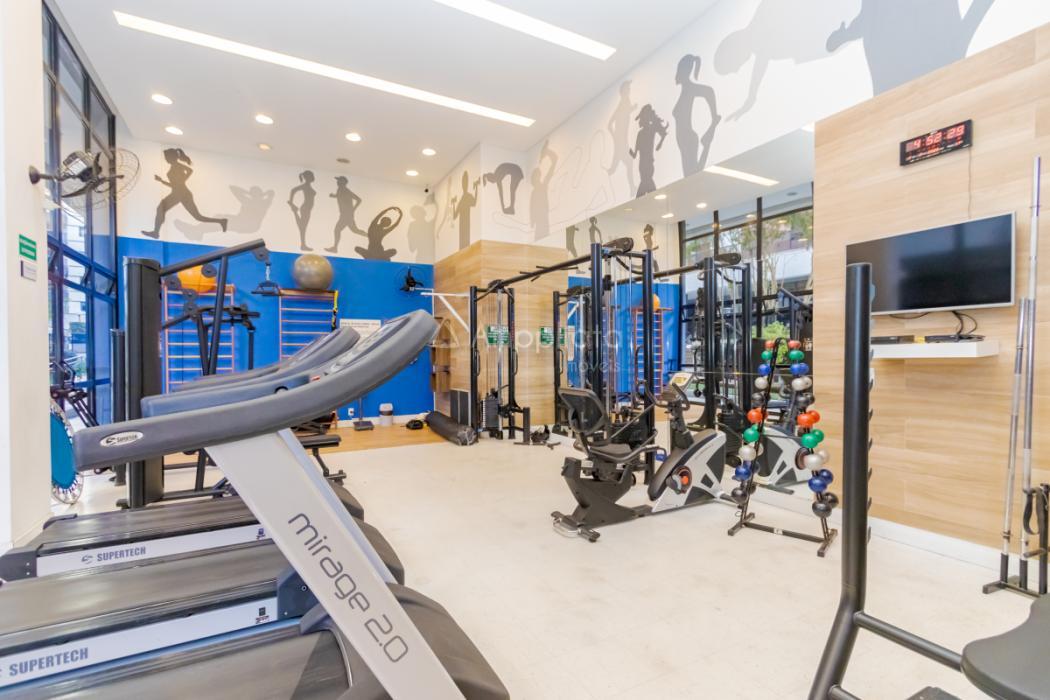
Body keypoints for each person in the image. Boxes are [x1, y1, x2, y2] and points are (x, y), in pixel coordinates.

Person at [143, 148, 227, 239]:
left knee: (162, 209)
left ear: (172, 157)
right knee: (196, 216)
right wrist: (161, 181)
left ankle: (156, 233)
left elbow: (190, 170)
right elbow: (174, 186)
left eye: (166, 157)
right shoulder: (173, 167)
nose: (166, 159)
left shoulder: (177, 166)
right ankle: (221, 221)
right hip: (178, 193)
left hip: (182, 194)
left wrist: (183, 180)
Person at [672, 55, 720, 178]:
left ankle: (707, 145)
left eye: (679, 71)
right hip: (683, 141)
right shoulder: (685, 91)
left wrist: (714, 116)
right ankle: (706, 144)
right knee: (690, 177)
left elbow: (709, 91)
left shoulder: (690, 89)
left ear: (684, 71)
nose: (677, 74)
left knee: (692, 177)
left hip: (688, 138)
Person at [630, 105, 668, 197]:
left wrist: (660, 143)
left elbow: (663, 134)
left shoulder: (651, 129)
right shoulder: (641, 133)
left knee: (646, 182)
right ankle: (652, 199)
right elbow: (635, 154)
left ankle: (640, 201)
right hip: (643, 164)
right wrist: (630, 152)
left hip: (647, 163)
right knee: (647, 183)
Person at [606, 81, 637, 194]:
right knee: (628, 162)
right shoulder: (623, 103)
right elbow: (610, 124)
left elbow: (613, 122)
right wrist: (615, 136)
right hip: (621, 140)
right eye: (628, 88)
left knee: (619, 163)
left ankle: (632, 188)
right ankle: (632, 188)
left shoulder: (624, 103)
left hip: (622, 140)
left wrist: (632, 109)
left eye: (629, 88)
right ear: (623, 91)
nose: (629, 90)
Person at [529, 141, 558, 241]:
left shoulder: (543, 186)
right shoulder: (536, 191)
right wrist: (532, 220)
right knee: (540, 238)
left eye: (538, 175)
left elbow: (554, 161)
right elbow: (532, 206)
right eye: (537, 176)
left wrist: (548, 152)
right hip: (539, 220)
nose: (538, 177)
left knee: (543, 238)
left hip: (543, 218)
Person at [328, 175, 364, 253]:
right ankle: (370, 236)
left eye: (339, 180)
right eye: (338, 180)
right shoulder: (340, 190)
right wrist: (334, 196)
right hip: (345, 214)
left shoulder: (346, 190)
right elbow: (340, 196)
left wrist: (353, 209)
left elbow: (359, 199)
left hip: (346, 215)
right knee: (355, 230)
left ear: (343, 182)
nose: (337, 182)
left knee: (337, 230)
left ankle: (335, 248)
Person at [288, 170, 317, 251]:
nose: (313, 177)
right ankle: (303, 245)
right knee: (303, 227)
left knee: (302, 226)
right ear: (308, 177)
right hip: (305, 208)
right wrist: (291, 202)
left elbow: (294, 190)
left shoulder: (308, 186)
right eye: (311, 176)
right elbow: (293, 190)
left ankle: (295, 212)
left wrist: (291, 203)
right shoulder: (305, 186)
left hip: (307, 208)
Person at [451, 171, 479, 250]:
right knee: (462, 245)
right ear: (462, 184)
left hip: (466, 223)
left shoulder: (468, 196)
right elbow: (454, 216)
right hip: (462, 225)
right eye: (463, 182)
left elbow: (474, 203)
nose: (464, 185)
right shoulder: (461, 200)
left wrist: (476, 188)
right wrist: (453, 204)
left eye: (466, 182)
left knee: (466, 243)